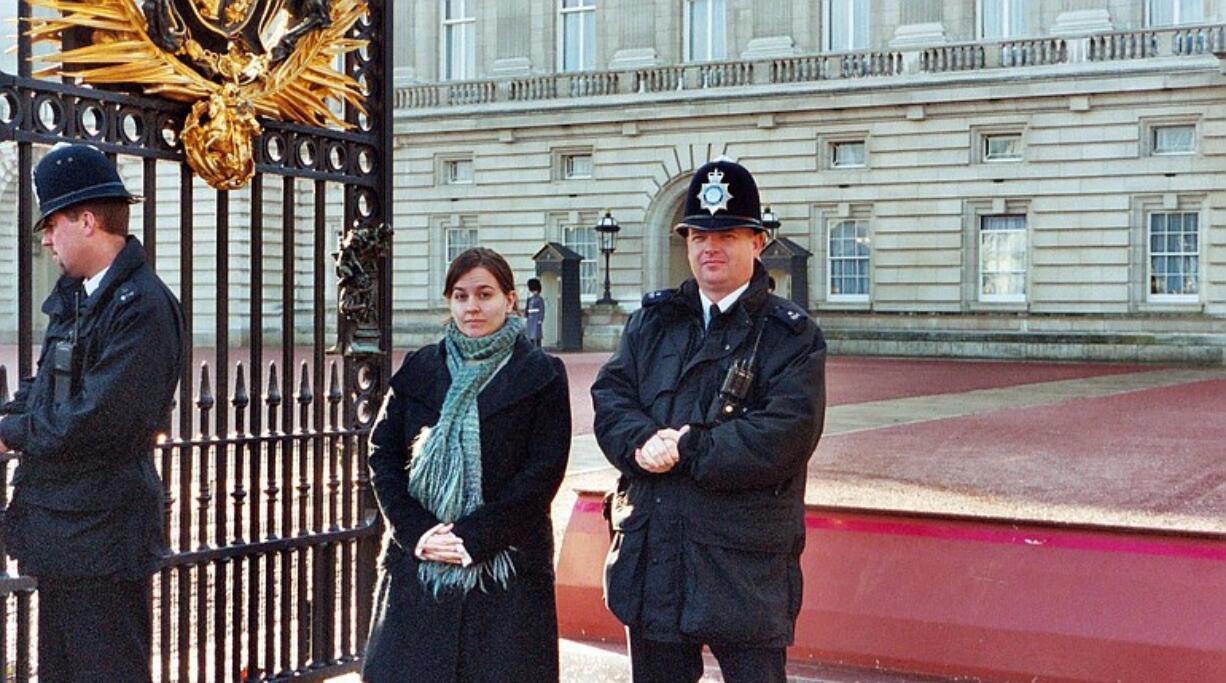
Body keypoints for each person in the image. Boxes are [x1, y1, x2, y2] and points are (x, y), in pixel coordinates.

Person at [591, 159, 827, 683]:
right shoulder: (653, 322)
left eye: (726, 233)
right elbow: (612, 396)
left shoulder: (791, 336)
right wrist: (638, 442)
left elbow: (785, 434)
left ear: (757, 243)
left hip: (742, 567)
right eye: (698, 234)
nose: (709, 247)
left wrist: (689, 448)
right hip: (655, 556)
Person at [0, 143, 185, 682]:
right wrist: (12, 416)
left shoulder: (143, 306)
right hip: (64, 533)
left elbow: (98, 418)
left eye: (52, 223)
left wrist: (10, 433)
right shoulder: (80, 296)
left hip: (103, 536)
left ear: (86, 220)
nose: (46, 238)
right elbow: (45, 390)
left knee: (104, 671)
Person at [363, 247, 572, 682]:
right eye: (460, 296)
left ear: (509, 300)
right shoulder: (420, 367)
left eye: (484, 294)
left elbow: (542, 472)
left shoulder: (542, 373)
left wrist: (472, 539)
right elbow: (383, 456)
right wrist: (417, 532)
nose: (472, 307)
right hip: (420, 567)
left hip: (506, 572)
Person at [524, 277, 545, 348]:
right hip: (530, 319)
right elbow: (527, 309)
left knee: (537, 336)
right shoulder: (530, 299)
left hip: (536, 318)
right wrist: (526, 316)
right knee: (530, 336)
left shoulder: (540, 299)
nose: (534, 292)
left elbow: (542, 309)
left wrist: (540, 319)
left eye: (535, 290)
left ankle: (538, 349)